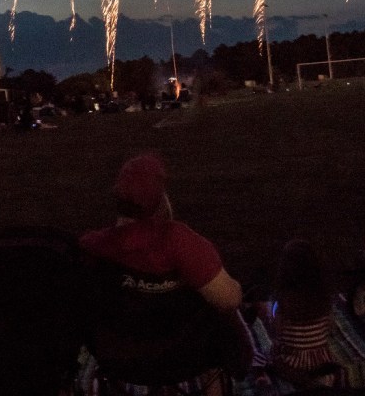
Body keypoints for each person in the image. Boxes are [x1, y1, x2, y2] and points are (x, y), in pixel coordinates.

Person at [80, 154, 253, 389]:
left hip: (120, 357)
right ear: (160, 199)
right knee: (221, 314)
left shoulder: (92, 247)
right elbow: (229, 299)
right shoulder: (179, 242)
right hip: (183, 355)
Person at [265, 239, 339, 388]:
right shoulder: (324, 298)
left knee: (276, 361)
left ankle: (304, 379)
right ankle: (319, 376)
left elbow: (276, 331)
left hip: (293, 360)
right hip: (320, 359)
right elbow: (331, 327)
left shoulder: (283, 302)